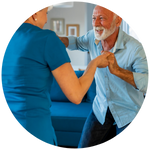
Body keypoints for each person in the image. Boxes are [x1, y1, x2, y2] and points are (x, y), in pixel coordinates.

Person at [0, 2, 111, 149]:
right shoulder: (46, 38)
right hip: (34, 129)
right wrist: (94, 63)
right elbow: (76, 95)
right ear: (34, 12)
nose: (46, 19)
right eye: (46, 13)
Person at [59, 2, 150, 150]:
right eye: (94, 18)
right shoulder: (91, 38)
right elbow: (75, 42)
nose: (96, 23)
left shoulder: (137, 49)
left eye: (101, 18)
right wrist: (58, 40)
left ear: (118, 20)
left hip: (128, 111)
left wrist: (118, 70)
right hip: (100, 107)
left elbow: (148, 84)